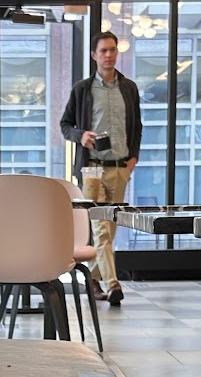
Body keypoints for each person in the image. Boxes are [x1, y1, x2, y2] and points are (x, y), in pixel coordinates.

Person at [58, 30, 141, 306]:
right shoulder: (82, 89)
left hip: (120, 168)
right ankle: (112, 283)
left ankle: (93, 279)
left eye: (112, 50)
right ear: (94, 55)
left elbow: (137, 125)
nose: (108, 55)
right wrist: (81, 135)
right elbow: (65, 125)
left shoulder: (129, 88)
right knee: (100, 228)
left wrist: (133, 158)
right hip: (92, 168)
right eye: (103, 51)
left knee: (110, 227)